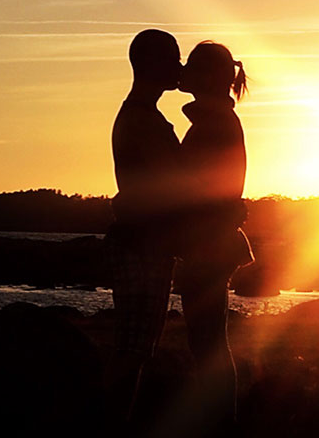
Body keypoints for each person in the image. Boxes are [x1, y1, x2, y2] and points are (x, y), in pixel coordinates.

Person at [104, 28, 183, 430]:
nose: (180, 67)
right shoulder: (144, 120)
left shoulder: (139, 115)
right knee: (133, 350)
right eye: (173, 59)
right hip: (143, 244)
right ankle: (111, 424)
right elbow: (174, 183)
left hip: (143, 242)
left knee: (136, 348)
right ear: (151, 64)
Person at [175, 41, 254, 432]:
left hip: (208, 245)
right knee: (209, 342)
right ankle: (221, 423)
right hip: (211, 243)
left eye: (190, 65)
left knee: (208, 345)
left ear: (207, 76)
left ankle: (221, 425)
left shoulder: (214, 123)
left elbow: (195, 187)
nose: (182, 70)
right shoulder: (216, 120)